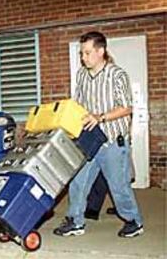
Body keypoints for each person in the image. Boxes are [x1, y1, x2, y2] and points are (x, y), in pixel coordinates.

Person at [53, 31, 143, 238]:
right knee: (78, 181)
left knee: (118, 186)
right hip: (90, 140)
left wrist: (100, 117)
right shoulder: (82, 75)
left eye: (87, 53)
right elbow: (79, 104)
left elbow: (127, 107)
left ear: (100, 51)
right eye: (81, 54)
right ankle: (76, 221)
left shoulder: (117, 74)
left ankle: (133, 221)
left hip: (112, 141)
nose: (83, 58)